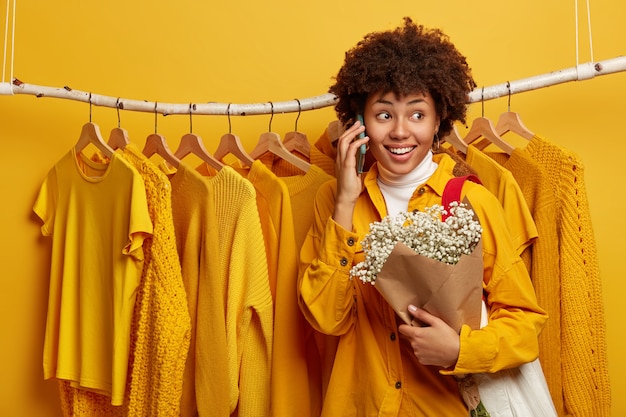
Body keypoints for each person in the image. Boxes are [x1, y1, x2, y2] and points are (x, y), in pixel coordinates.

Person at [297, 17, 548, 416]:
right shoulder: (334, 199)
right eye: (383, 114)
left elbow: (525, 325)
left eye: (417, 114)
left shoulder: (472, 201)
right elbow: (327, 320)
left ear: (438, 122)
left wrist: (461, 350)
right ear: (360, 122)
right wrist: (345, 203)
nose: (400, 131)